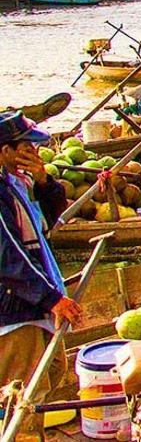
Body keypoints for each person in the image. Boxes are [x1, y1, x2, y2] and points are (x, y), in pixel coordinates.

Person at [0, 113, 83, 433]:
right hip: (16, 311)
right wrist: (52, 300)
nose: (34, 154)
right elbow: (7, 258)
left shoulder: (16, 183)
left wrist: (45, 182)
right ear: (6, 151)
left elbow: (49, 223)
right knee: (21, 401)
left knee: (53, 373)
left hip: (37, 299)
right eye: (25, 148)